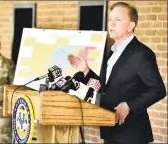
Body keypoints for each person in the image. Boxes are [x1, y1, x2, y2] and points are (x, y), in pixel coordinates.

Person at [68, 2, 166, 144]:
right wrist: (86, 71)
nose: (112, 24)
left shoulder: (141, 54)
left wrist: (129, 105)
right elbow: (106, 88)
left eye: (117, 20)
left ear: (131, 26)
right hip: (110, 129)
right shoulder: (112, 52)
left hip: (131, 135)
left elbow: (158, 90)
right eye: (110, 20)